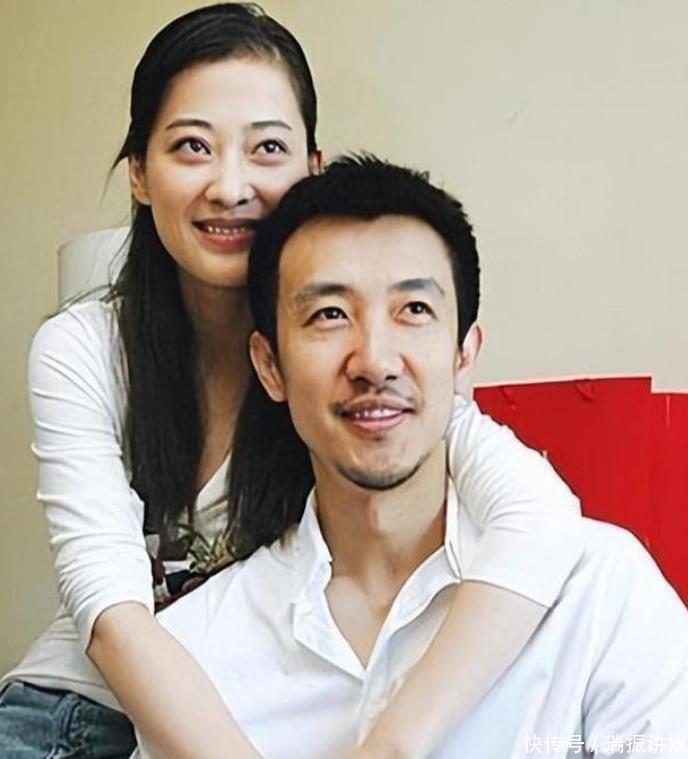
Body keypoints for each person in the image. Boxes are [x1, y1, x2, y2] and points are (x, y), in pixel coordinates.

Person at [0, 5, 583, 759]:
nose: (230, 186)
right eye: (191, 147)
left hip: (259, 715)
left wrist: (397, 742)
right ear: (139, 172)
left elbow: (538, 518)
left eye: (267, 148)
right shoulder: (83, 347)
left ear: (311, 165)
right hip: (77, 718)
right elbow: (111, 615)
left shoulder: (344, 355)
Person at [134, 155, 688, 758]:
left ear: (465, 355)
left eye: (414, 310)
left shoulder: (599, 593)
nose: (375, 361)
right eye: (330, 315)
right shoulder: (195, 652)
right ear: (270, 366)